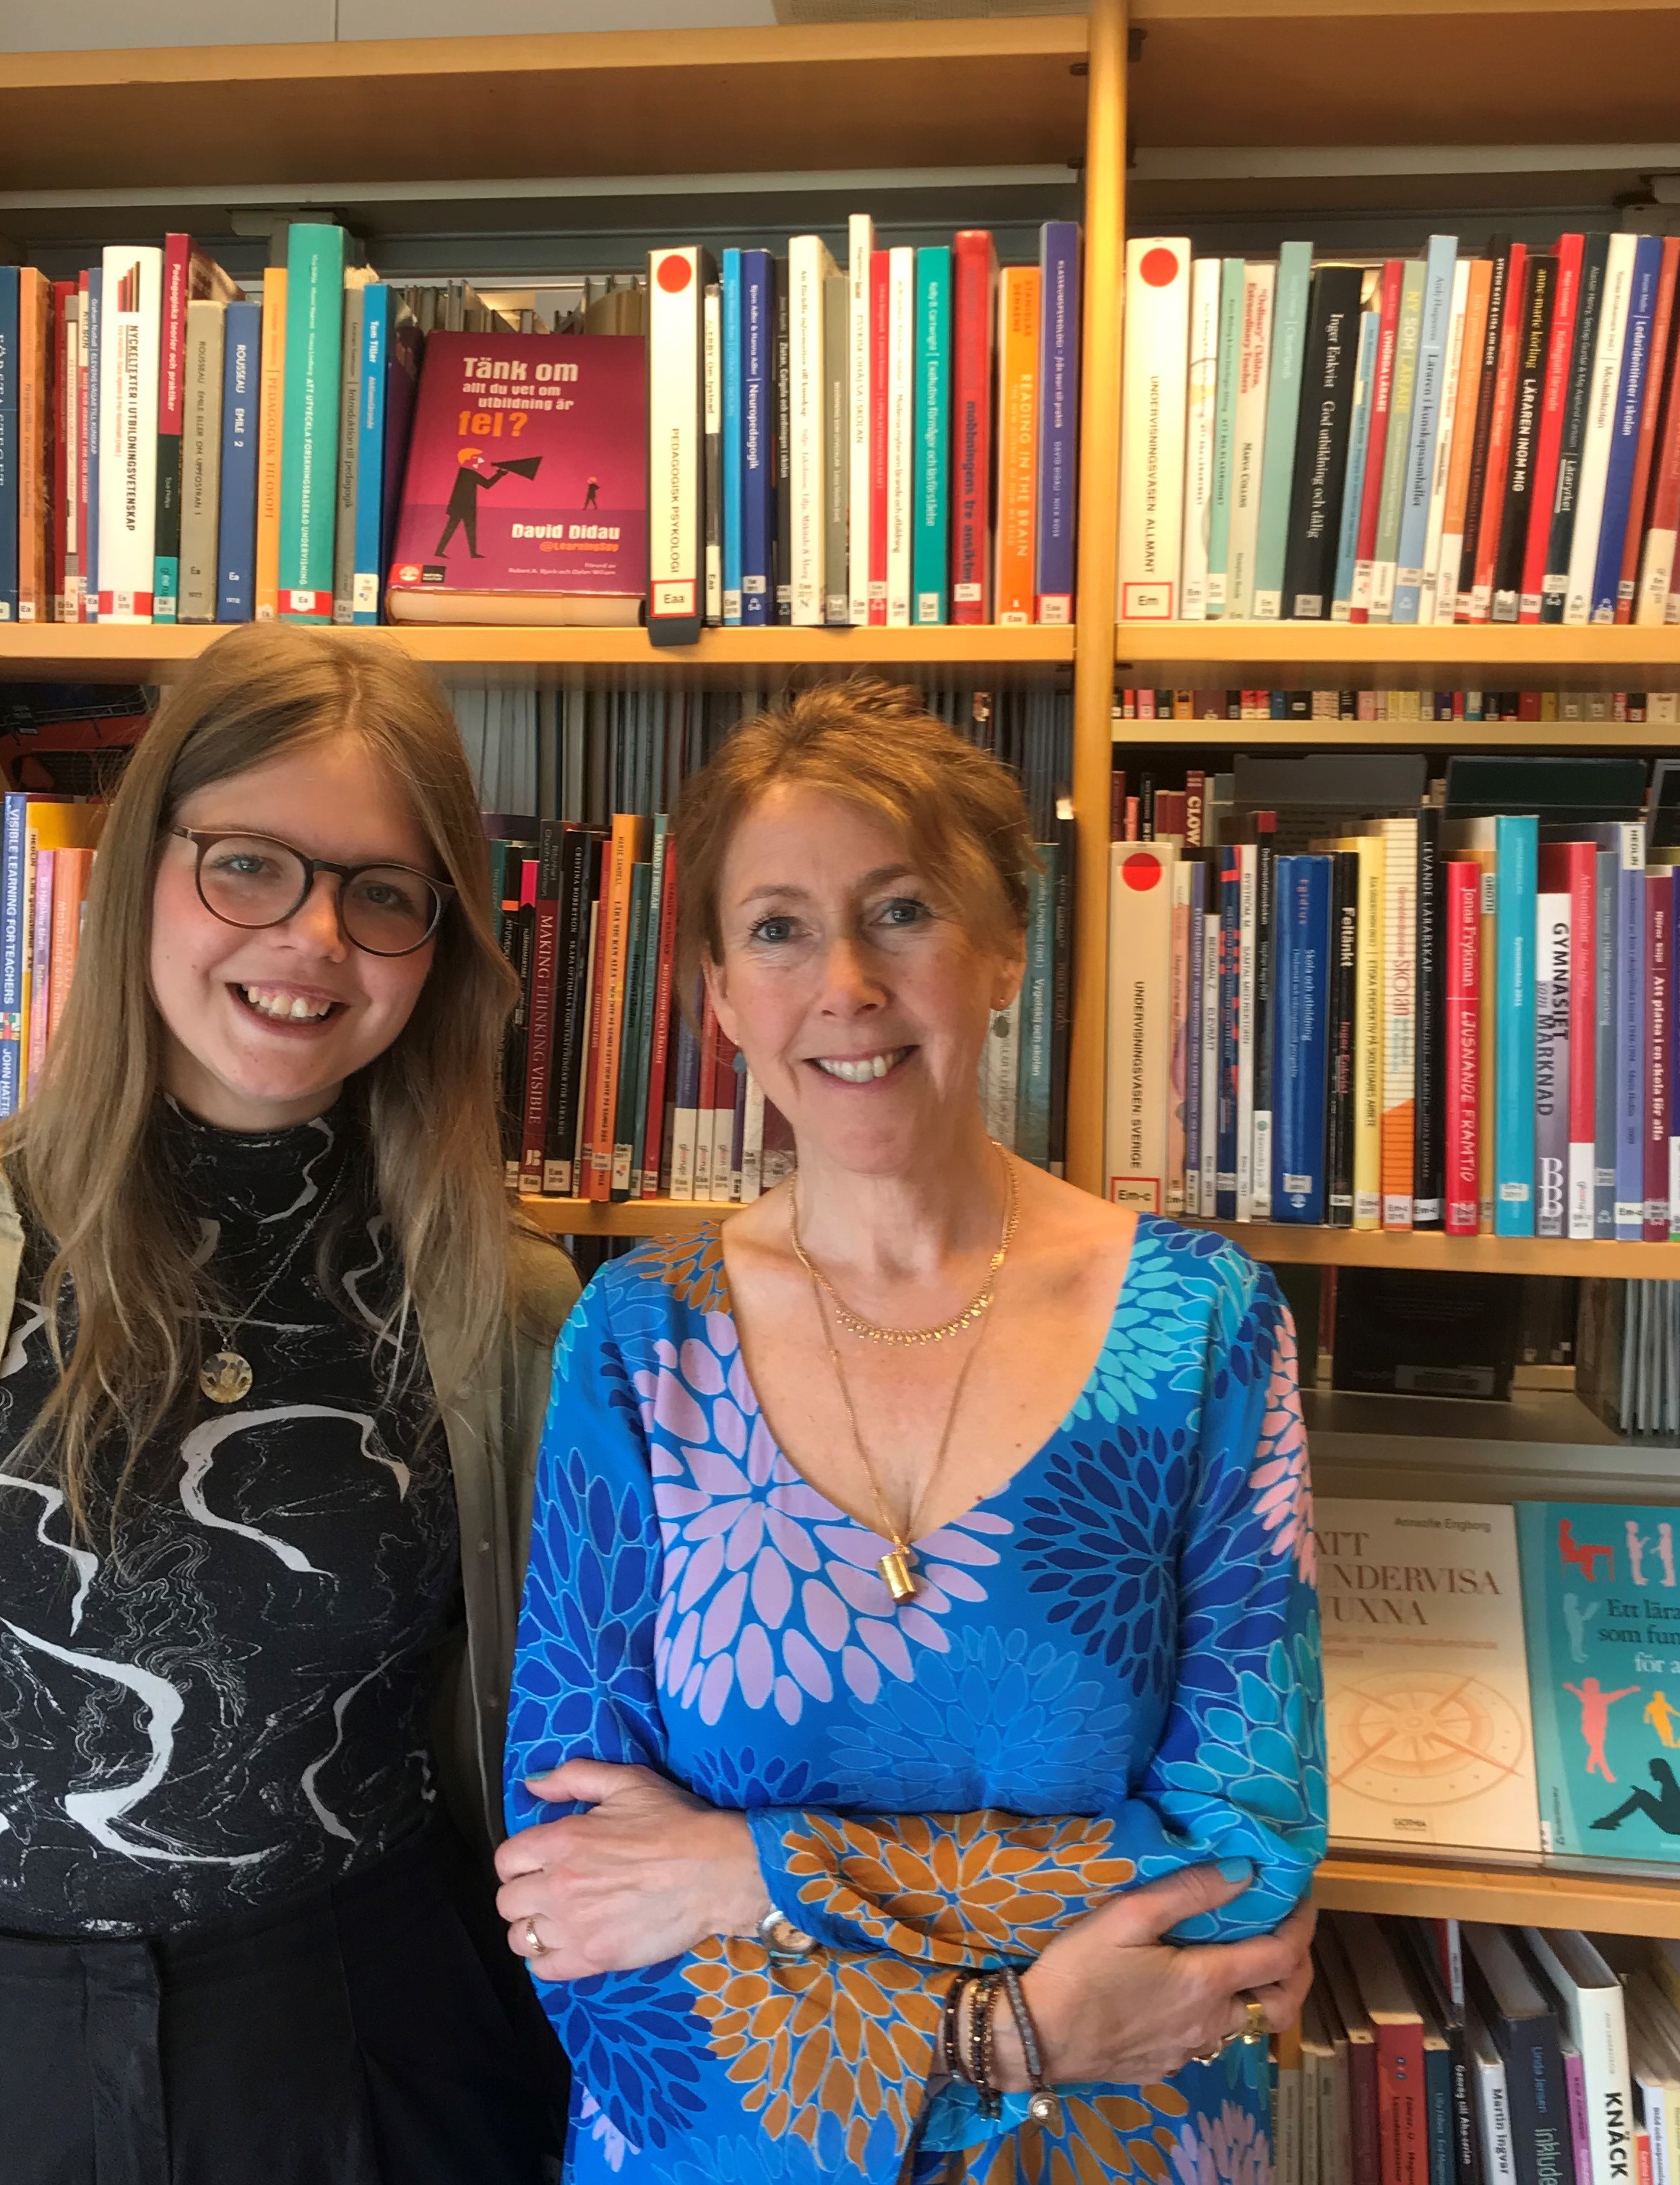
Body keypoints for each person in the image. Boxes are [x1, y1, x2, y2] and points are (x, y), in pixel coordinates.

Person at [0, 626, 578, 2185]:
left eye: (382, 892)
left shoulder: (510, 1309)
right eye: (249, 867)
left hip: (375, 2043)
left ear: (440, 943)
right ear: (143, 865)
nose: (314, 938)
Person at [498, 679, 1324, 2184]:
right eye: (778, 929)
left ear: (1004, 950)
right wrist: (1002, 2036)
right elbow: (574, 1900)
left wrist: (748, 1871)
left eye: (901, 912)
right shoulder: (636, 1340)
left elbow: (1244, 1860)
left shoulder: (1202, 1326)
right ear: (718, 995)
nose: (847, 985)